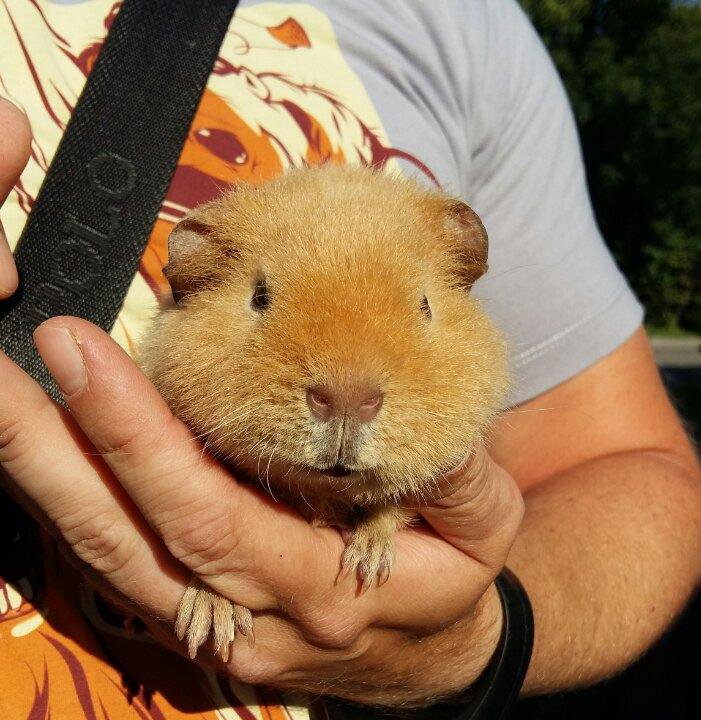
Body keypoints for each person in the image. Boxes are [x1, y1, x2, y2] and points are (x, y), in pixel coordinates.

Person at [0, 1, 699, 718]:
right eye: (261, 299)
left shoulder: (455, 23)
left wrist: (477, 636)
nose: (344, 392)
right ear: (197, 269)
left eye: (421, 306)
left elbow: (624, 459)